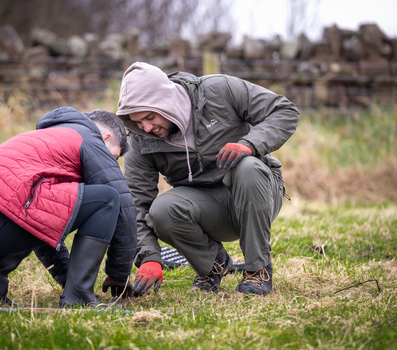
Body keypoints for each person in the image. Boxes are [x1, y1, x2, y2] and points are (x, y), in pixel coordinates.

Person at [116, 62, 299, 296]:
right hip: (208, 209)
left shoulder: (219, 90)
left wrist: (250, 144)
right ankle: (214, 264)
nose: (148, 127)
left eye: (150, 117)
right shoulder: (140, 141)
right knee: (161, 209)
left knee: (247, 167)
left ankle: (258, 270)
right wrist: (149, 257)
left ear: (166, 100)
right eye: (138, 122)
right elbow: (137, 204)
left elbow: (284, 111)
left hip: (257, 190)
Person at [0, 107, 137, 307]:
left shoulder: (43, 139)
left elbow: (43, 220)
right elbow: (124, 206)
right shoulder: (89, 138)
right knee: (108, 198)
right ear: (105, 138)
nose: (111, 164)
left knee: (30, 206)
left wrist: (67, 279)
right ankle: (78, 296)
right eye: (113, 158)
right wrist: (119, 274)